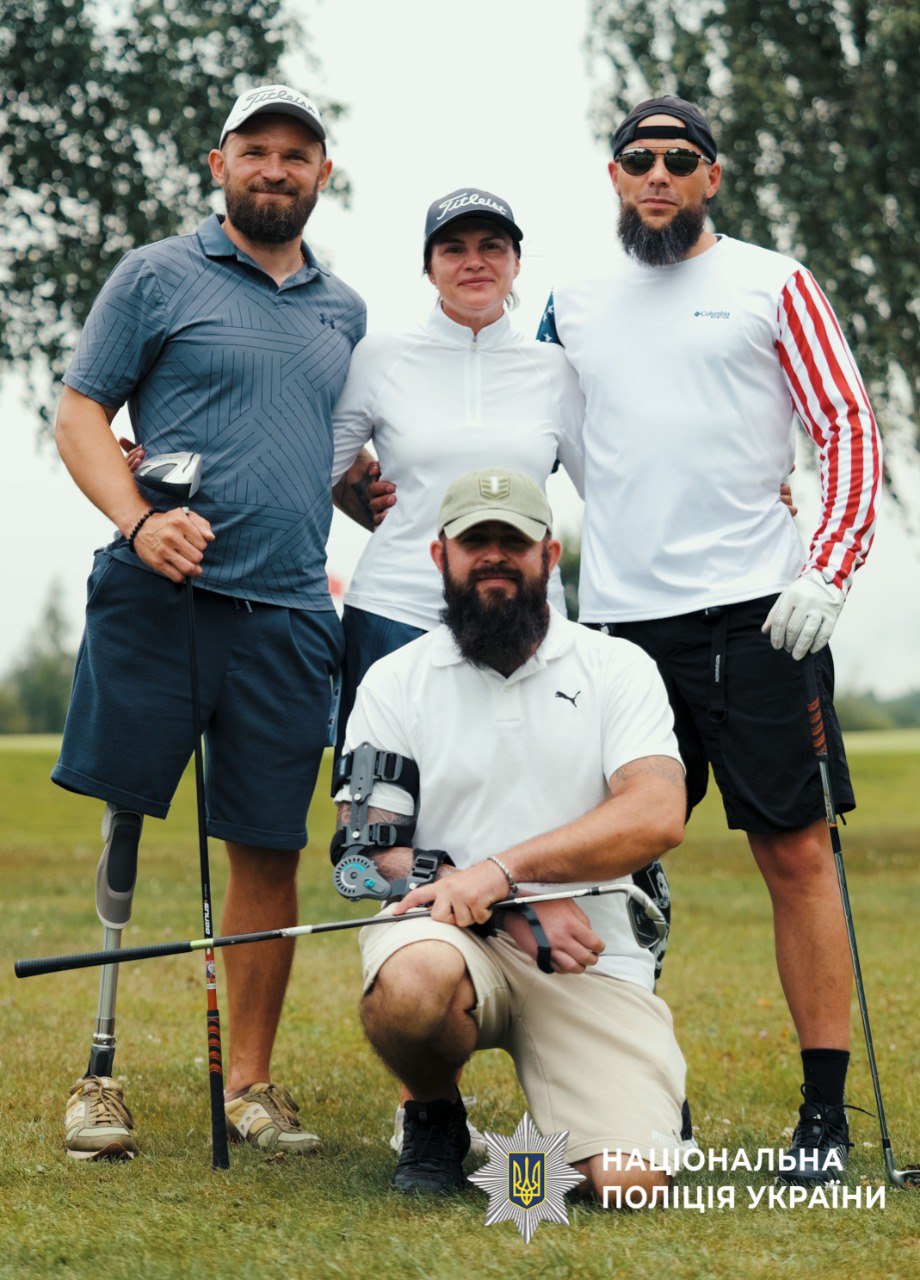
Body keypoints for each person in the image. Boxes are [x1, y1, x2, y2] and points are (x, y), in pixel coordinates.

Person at [537, 95, 882, 1184]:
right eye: (635, 158)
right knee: (614, 862)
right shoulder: (571, 303)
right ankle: (638, 1105)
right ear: (612, 176)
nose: (656, 174)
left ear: (710, 177)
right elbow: (524, 425)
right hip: (621, 628)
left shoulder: (770, 281)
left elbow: (845, 426)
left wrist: (826, 569)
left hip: (762, 614)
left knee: (793, 853)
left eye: (678, 158)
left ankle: (819, 1119)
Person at [54, 84, 367, 1160]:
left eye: (296, 153)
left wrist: (352, 487)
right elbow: (81, 411)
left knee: (268, 847)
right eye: (255, 150)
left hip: (288, 610)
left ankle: (251, 1083)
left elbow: (313, 435)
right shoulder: (154, 275)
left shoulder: (344, 310)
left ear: (322, 173)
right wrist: (139, 520)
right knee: (128, 817)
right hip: (162, 593)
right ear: (216, 163)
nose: (274, 168)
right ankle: (100, 1075)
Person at [336, 467, 689, 1201]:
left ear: (549, 557)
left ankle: (632, 1108)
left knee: (630, 1185)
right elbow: (364, 862)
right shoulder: (394, 682)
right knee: (412, 987)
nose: (494, 556)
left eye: (514, 542)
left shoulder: (618, 668)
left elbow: (656, 813)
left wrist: (501, 873)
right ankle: (434, 1113)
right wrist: (510, 908)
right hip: (449, 939)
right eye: (474, 541)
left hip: (589, 955)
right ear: (441, 557)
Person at [329, 187, 586, 751]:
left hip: (524, 616)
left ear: (517, 263)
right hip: (394, 613)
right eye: (453, 248)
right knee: (381, 809)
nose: (474, 261)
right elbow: (316, 465)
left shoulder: (557, 369)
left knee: (525, 801)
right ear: (428, 268)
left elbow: (611, 486)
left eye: (492, 246)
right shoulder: (379, 357)